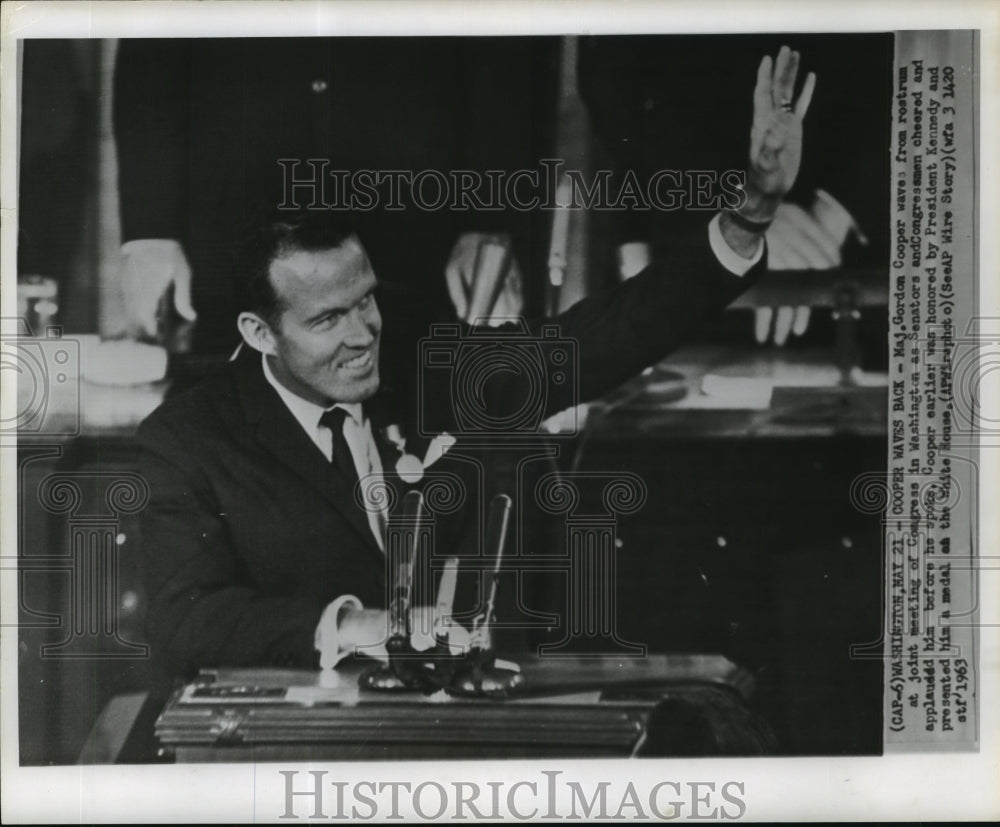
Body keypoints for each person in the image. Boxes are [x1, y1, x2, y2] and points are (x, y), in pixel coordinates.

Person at [136, 47, 813, 684]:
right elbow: (186, 615)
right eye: (326, 320)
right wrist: (358, 626)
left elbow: (601, 339)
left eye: (365, 301)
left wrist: (751, 212)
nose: (362, 334)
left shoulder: (428, 372)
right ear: (258, 331)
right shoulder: (187, 441)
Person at [112, 37, 559, 353]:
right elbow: (152, 37)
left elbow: (504, 48)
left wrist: (489, 215)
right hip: (233, 214)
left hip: (416, 217)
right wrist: (149, 229)